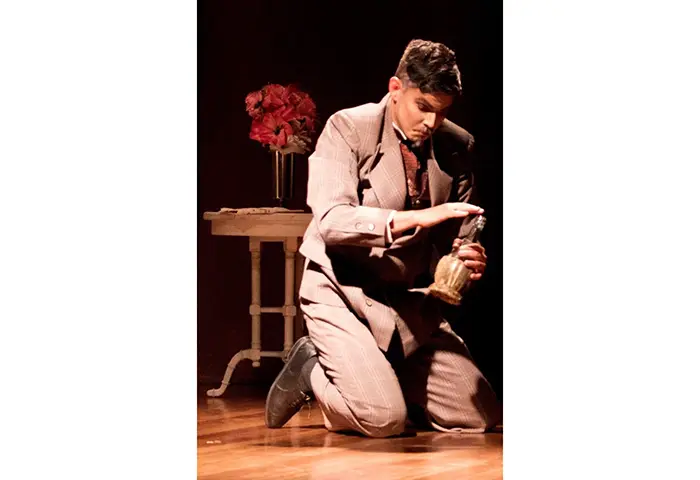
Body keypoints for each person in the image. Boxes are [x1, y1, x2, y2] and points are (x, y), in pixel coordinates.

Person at [265, 39, 500, 437]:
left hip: (406, 304)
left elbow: (456, 236)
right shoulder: (348, 128)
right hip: (341, 292)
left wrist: (467, 257)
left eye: (442, 112)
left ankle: (377, 377)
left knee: (478, 416)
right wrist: (415, 218)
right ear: (395, 89)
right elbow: (331, 220)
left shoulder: (458, 145)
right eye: (422, 106)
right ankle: (313, 369)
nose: (431, 122)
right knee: (383, 420)